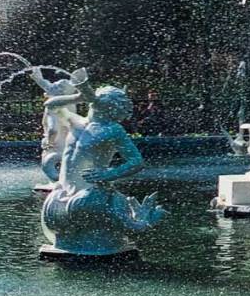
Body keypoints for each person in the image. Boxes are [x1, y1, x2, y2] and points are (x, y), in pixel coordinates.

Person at [40, 83, 167, 255]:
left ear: (111, 106)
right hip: (63, 191)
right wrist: (77, 97)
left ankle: (127, 230)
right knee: (62, 221)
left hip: (91, 192)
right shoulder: (75, 121)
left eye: (102, 97)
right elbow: (50, 105)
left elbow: (137, 161)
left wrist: (108, 174)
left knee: (86, 212)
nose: (96, 99)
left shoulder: (113, 130)